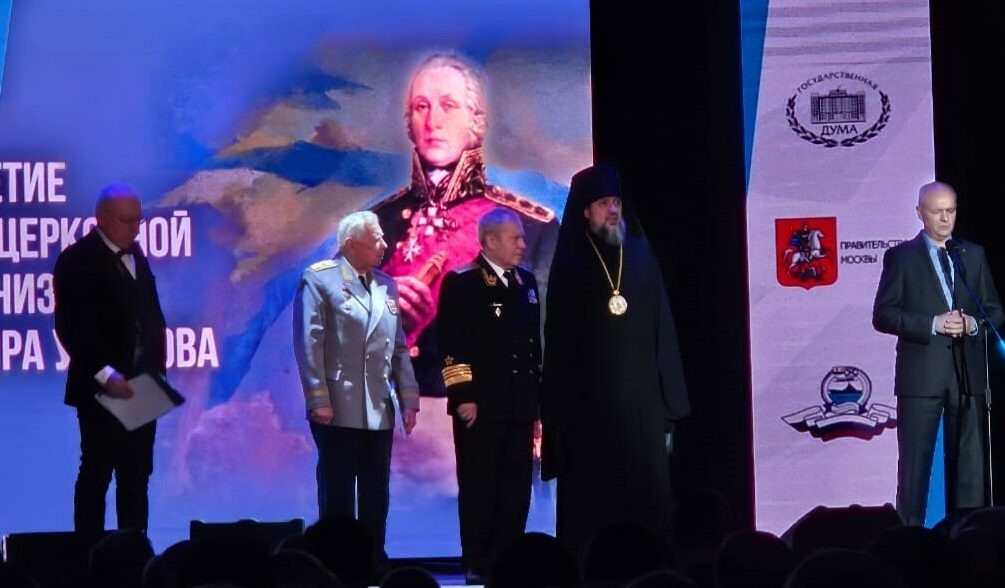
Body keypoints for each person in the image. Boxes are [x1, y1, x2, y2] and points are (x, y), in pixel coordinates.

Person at [370, 52, 558, 397]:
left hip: (491, 407)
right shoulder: (375, 224)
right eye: (422, 107)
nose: (433, 121)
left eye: (449, 105)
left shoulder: (535, 228)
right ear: (409, 121)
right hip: (389, 410)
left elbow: (549, 336)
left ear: (476, 120)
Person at [540, 164, 690, 561]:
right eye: (604, 203)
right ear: (585, 211)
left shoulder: (640, 255)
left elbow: (663, 328)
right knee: (593, 504)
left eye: (617, 203)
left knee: (646, 505)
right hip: (589, 413)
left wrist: (669, 407)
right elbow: (558, 343)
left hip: (642, 407)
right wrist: (556, 414)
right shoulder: (570, 263)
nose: (612, 210)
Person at [873, 181, 1004, 526]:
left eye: (951, 211)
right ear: (920, 213)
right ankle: (907, 539)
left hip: (968, 376)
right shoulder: (901, 258)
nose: (945, 219)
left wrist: (973, 325)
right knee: (915, 467)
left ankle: (972, 534)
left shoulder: (971, 255)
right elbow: (883, 315)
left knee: (972, 467)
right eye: (937, 212)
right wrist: (933, 323)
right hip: (921, 376)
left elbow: (994, 310)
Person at [293, 210, 419, 563]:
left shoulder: (387, 284)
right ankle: (337, 561)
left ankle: (373, 558)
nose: (385, 244)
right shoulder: (320, 280)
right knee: (338, 490)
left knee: (377, 490)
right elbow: (309, 343)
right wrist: (318, 398)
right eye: (376, 238)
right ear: (351, 244)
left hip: (378, 405)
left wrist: (408, 399)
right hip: (337, 404)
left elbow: (398, 347)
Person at [53, 183, 167, 535]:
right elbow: (72, 328)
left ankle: (134, 552)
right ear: (101, 218)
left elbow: (148, 318)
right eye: (126, 221)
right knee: (97, 473)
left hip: (142, 387)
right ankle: (89, 555)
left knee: (137, 476)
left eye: (138, 221)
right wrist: (106, 375)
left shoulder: (138, 256)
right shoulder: (77, 259)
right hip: (101, 389)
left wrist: (156, 374)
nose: (135, 229)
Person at [436, 208, 542, 582]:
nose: (522, 244)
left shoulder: (526, 282)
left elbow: (532, 347)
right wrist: (462, 395)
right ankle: (477, 562)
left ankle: (507, 560)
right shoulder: (462, 282)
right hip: (480, 406)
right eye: (516, 238)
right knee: (480, 487)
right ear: (491, 241)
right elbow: (451, 344)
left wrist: (537, 403)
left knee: (517, 490)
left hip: (520, 404)